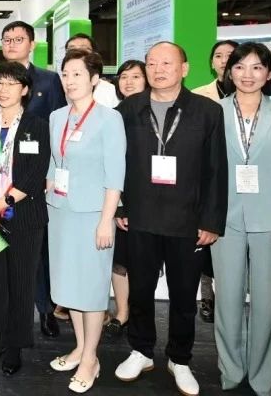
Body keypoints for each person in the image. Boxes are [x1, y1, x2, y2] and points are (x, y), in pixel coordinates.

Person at [114, 41, 227, 396]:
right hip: (140, 217)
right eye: (152, 63)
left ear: (184, 68)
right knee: (140, 291)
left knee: (183, 295)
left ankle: (180, 358)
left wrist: (211, 221)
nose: (158, 70)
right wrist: (119, 207)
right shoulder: (128, 108)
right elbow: (115, 162)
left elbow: (216, 169)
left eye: (166, 63)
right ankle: (141, 350)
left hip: (187, 221)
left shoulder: (207, 111)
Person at [211, 42, 271, 395]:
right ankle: (231, 370)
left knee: (268, 303)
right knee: (227, 300)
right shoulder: (214, 112)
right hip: (225, 220)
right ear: (229, 72)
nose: (247, 75)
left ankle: (262, 377)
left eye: (256, 67)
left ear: (269, 73)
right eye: (239, 67)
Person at [46, 49, 125, 393]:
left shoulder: (109, 119)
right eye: (65, 74)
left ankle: (91, 358)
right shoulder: (57, 116)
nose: (70, 80)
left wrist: (107, 220)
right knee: (70, 287)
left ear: (94, 79)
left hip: (93, 214)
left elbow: (115, 175)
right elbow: (54, 163)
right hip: (60, 211)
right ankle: (79, 347)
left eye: (77, 74)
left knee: (91, 289)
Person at [0, 20, 66, 337]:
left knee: (37, 251)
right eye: (6, 39)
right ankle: (1, 306)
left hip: (34, 179)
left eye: (18, 39)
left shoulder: (48, 80)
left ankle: (44, 308)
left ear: (32, 44)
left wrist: (49, 174)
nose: (11, 44)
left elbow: (56, 126)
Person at [0, 61, 51, 377]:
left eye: (11, 83)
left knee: (21, 281)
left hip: (23, 216)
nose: (4, 89)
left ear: (25, 89)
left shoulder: (36, 125)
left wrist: (0, 204)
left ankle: (16, 344)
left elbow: (34, 174)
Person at [191, 40, 238, 324]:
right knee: (205, 242)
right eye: (218, 56)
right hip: (206, 175)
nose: (223, 60)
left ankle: (230, 296)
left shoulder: (250, 97)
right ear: (211, 62)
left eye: (229, 56)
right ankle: (207, 297)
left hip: (240, 178)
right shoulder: (199, 96)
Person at [105, 59, 149, 341]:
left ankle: (140, 312)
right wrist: (119, 204)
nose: (129, 82)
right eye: (124, 77)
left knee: (144, 261)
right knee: (119, 259)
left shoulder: (157, 113)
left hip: (153, 198)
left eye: (136, 76)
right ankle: (122, 312)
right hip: (120, 196)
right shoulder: (112, 116)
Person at [65, 33, 118, 108]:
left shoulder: (109, 90)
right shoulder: (58, 87)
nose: (77, 53)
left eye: (83, 49)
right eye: (72, 50)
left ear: (94, 54)